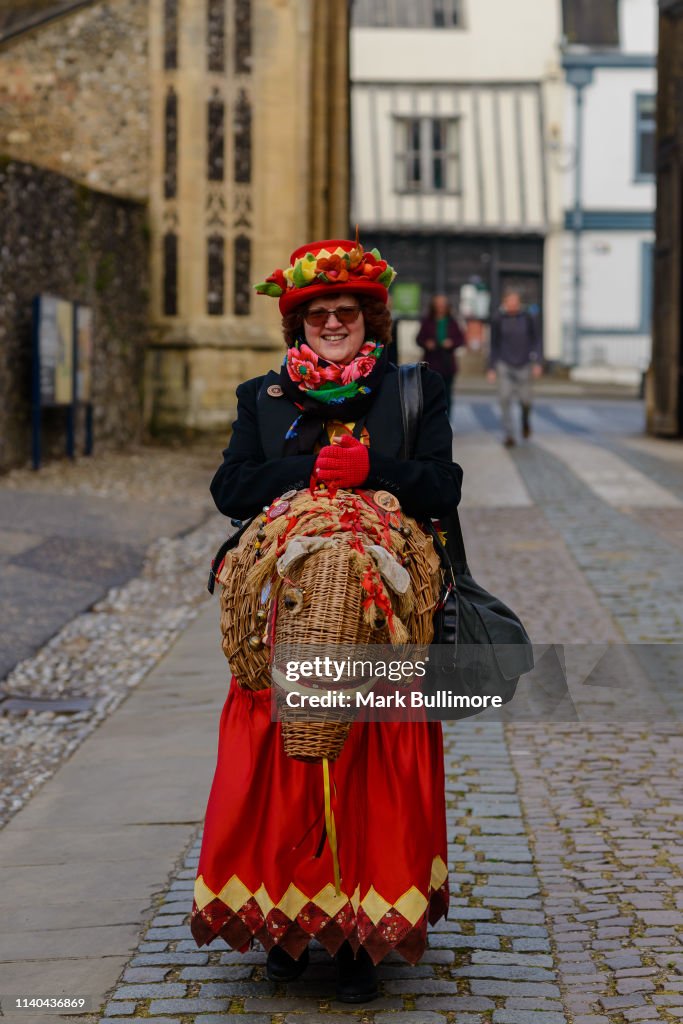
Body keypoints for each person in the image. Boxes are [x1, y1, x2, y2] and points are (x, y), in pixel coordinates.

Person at [190, 236, 463, 1003]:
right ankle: (284, 924)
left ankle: (359, 941)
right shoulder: (262, 396)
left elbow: (442, 485)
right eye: (318, 313)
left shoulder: (415, 390)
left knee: (368, 766)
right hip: (287, 616)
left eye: (346, 311)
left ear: (370, 318)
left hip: (380, 618)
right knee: (284, 765)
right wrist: (306, 471)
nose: (333, 322)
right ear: (298, 323)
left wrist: (373, 471)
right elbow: (230, 488)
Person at [487, 288, 543, 447]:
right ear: (505, 303)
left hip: (524, 364)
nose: (513, 305)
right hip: (504, 364)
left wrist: (538, 362)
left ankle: (525, 421)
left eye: (515, 302)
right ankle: (509, 434)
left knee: (526, 400)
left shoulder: (528, 318)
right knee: (504, 399)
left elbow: (537, 340)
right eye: (509, 302)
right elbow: (494, 344)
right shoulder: (498, 319)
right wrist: (491, 367)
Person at [415, 294, 466, 416]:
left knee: (447, 393)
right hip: (431, 362)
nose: (440, 308)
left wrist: (452, 343)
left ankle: (447, 419)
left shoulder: (452, 322)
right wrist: (427, 343)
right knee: (430, 394)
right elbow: (419, 339)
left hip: (447, 363)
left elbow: (461, 339)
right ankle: (431, 420)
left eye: (443, 305)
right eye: (438, 305)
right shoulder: (427, 321)